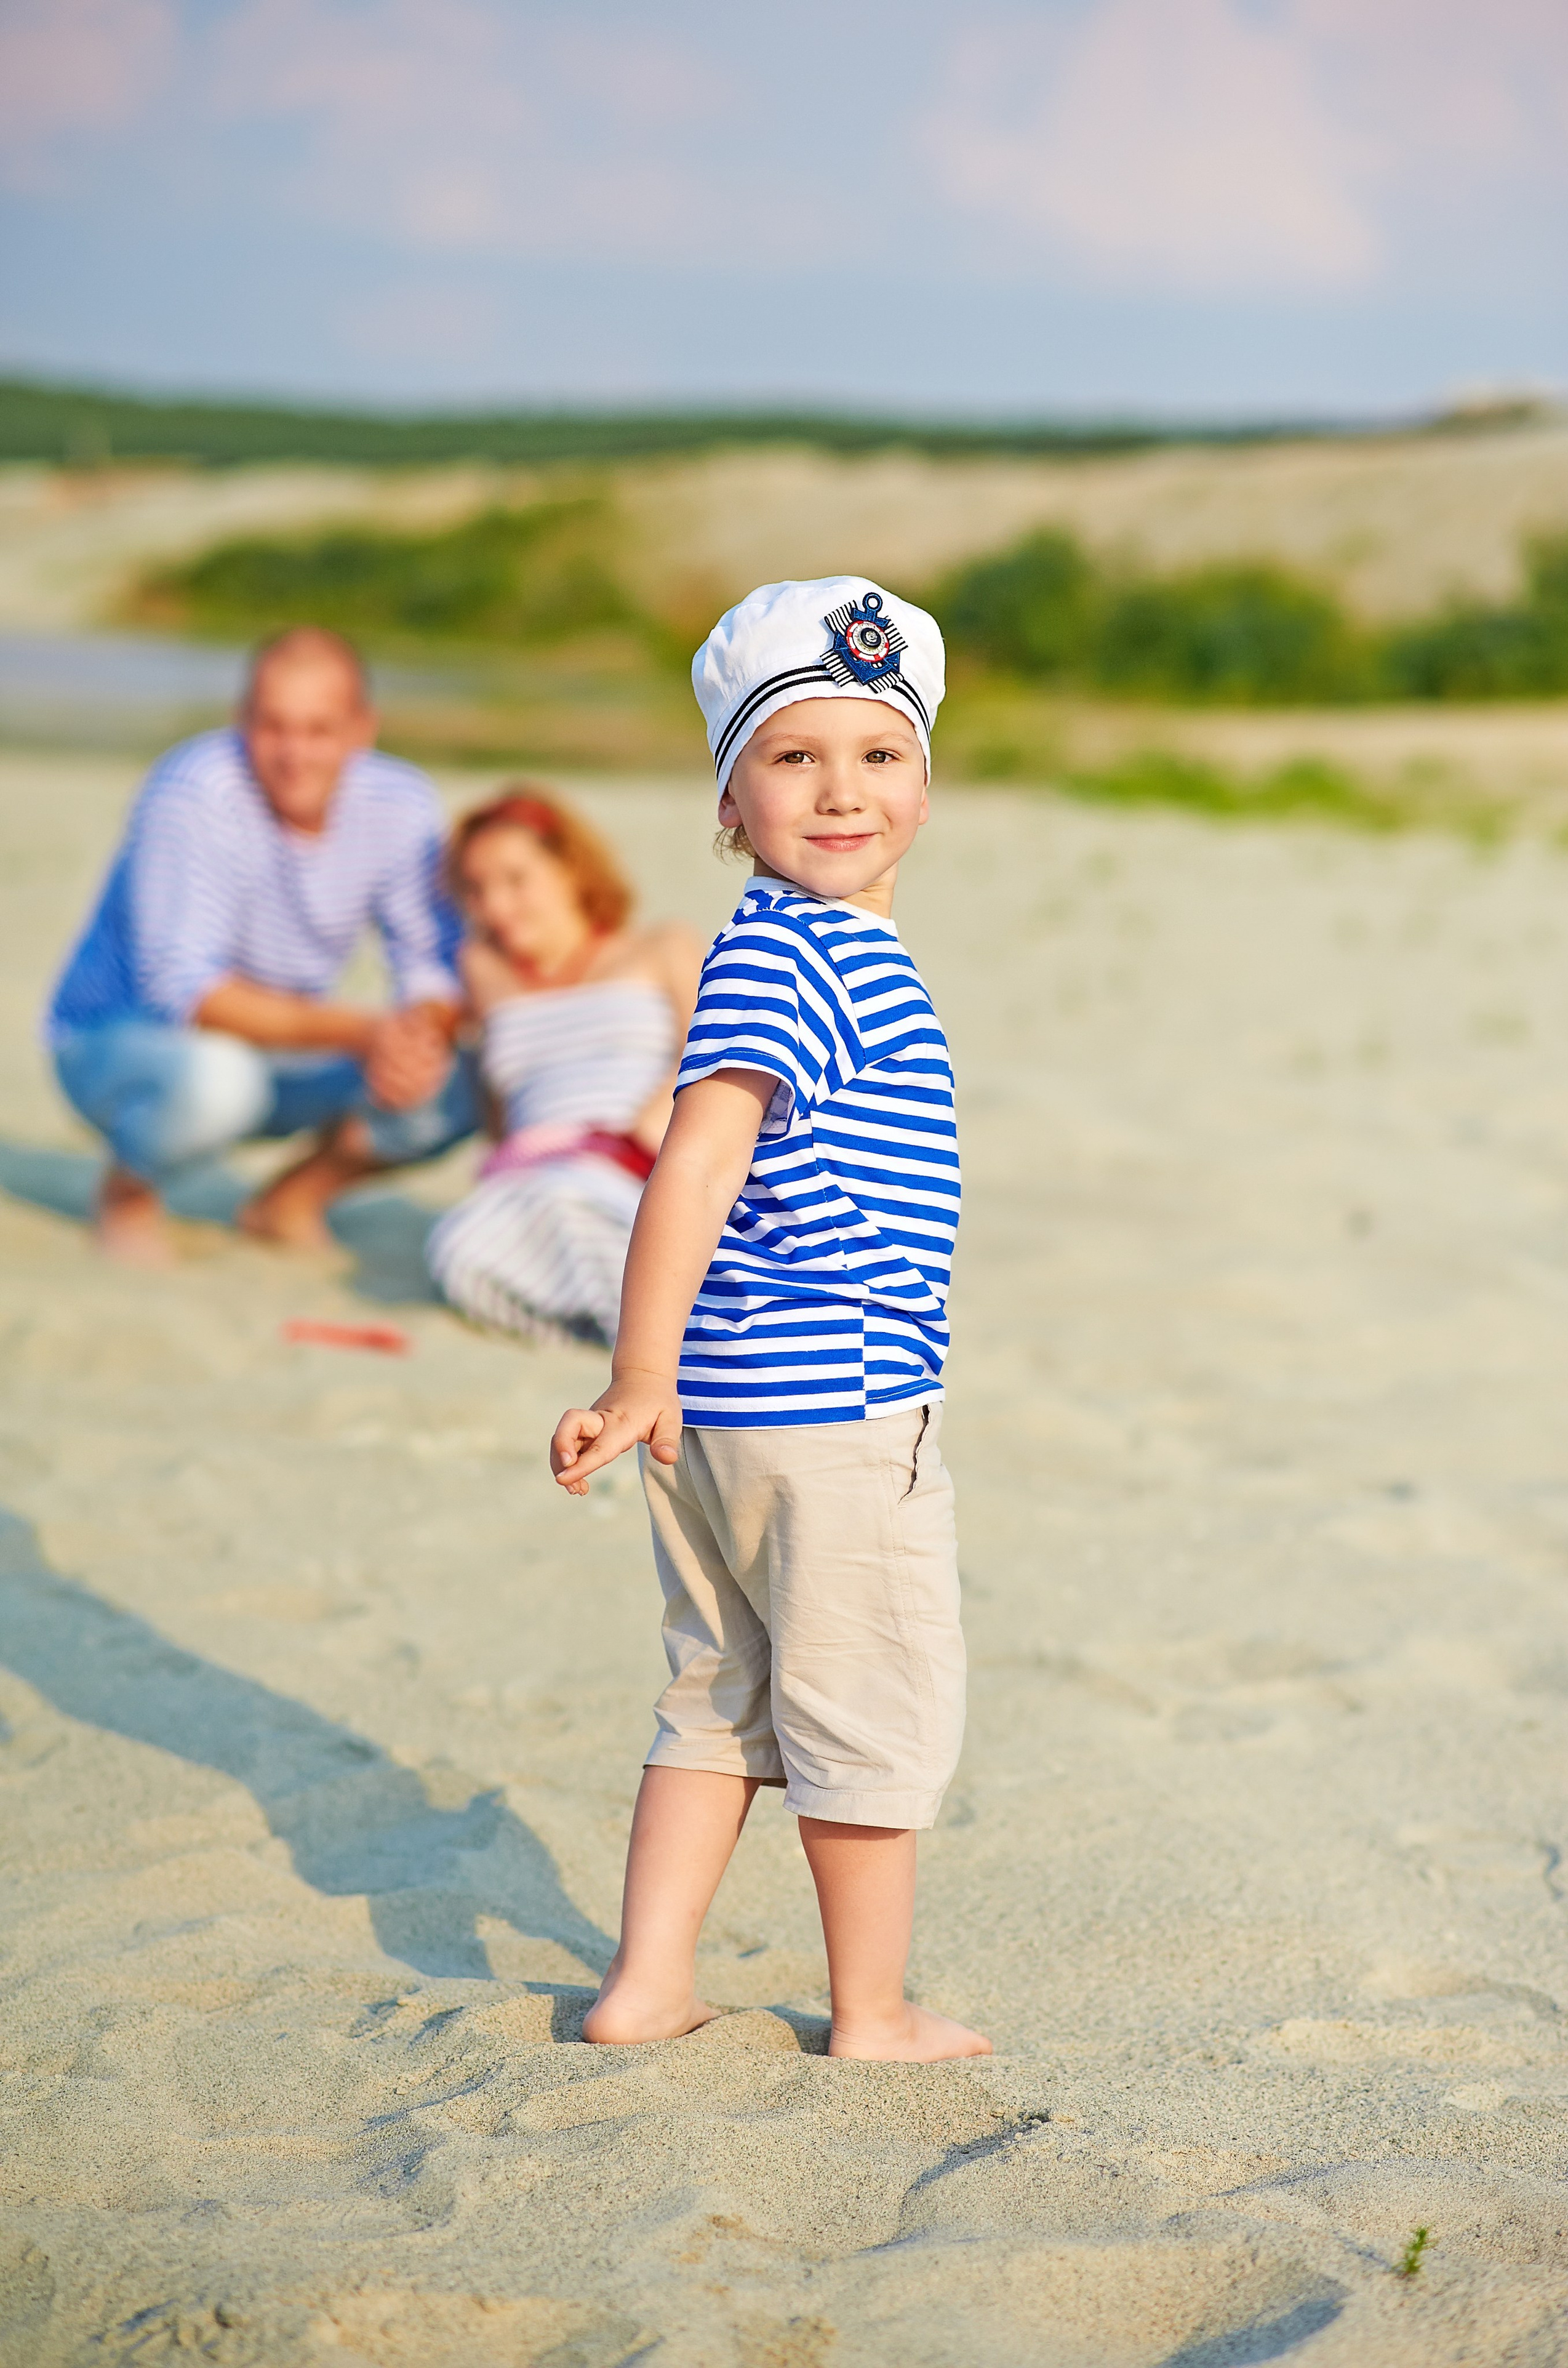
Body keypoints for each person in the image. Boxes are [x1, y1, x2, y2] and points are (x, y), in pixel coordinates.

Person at [550, 577, 989, 2063]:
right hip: (825, 1407)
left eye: (876, 754)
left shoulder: (795, 943)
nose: (841, 790)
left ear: (923, 787)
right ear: (729, 799)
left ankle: (644, 1982)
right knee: (862, 1709)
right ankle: (869, 2010)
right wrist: (632, 1366)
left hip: (724, 1409)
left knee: (715, 1695)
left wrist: (659, 1383)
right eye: (794, 757)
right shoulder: (795, 953)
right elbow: (693, 1158)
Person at [47, 627, 475, 1265]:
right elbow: (185, 992)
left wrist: (416, 1033)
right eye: (273, 727)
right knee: (221, 1081)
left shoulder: (402, 802)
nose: (294, 753)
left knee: (456, 1081)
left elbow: (431, 964)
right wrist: (366, 1031)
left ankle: (289, 1200)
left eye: (319, 729)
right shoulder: (193, 790)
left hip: (282, 1047)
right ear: (241, 721)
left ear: (363, 729)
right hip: (118, 1039)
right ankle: (127, 1190)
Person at [424, 790, 701, 1345]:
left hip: (633, 1156)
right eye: (475, 891)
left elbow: (722, 1047)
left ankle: (648, 1334)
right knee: (459, 1247)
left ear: (570, 868)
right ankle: (632, 1332)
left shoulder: (660, 946)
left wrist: (665, 1105)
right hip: (530, 1170)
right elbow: (498, 1108)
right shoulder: (483, 971)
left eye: (516, 879)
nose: (495, 907)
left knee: (577, 1212)